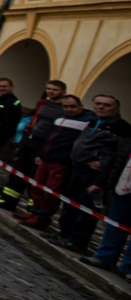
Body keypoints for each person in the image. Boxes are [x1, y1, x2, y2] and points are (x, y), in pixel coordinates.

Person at [51, 95, 128, 252]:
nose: (100, 107)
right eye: (98, 104)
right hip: (78, 167)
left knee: (86, 208)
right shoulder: (93, 121)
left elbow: (119, 154)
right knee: (70, 202)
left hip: (95, 174)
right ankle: (64, 234)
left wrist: (103, 165)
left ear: (116, 109)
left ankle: (78, 241)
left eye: (106, 105)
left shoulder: (122, 128)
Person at [16, 94, 90, 231]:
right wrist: (41, 153)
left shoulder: (87, 121)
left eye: (72, 106)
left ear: (81, 106)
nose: (68, 109)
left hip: (61, 162)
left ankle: (42, 218)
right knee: (36, 187)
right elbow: (50, 138)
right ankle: (34, 212)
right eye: (65, 106)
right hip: (46, 158)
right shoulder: (60, 119)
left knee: (51, 192)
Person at [0, 79, 67, 211]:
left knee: (35, 176)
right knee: (18, 172)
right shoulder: (42, 103)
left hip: (44, 144)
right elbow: (35, 121)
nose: (51, 91)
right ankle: (8, 200)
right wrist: (24, 141)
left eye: (55, 89)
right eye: (49, 88)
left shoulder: (64, 108)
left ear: (63, 92)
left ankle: (32, 207)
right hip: (30, 139)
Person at [82, 103, 131, 277]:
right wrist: (101, 183)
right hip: (123, 185)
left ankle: (128, 268)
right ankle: (105, 257)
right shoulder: (128, 139)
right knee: (116, 223)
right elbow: (114, 161)